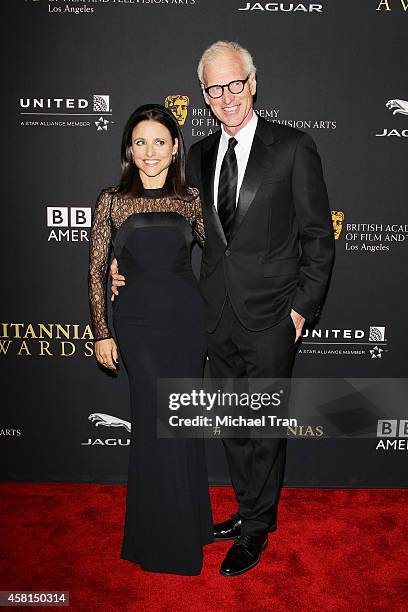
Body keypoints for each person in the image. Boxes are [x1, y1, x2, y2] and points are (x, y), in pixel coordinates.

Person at [111, 41, 335, 577]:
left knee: (264, 426)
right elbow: (171, 235)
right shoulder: (199, 156)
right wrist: (124, 271)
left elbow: (318, 239)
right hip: (211, 316)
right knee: (235, 426)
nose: (226, 96)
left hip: (273, 316)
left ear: (253, 83)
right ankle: (246, 510)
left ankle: (258, 529)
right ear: (205, 96)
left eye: (235, 83)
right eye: (214, 88)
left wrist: (301, 310)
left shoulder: (293, 148)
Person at [88, 104, 213, 576]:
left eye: (159, 141)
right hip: (137, 327)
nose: (150, 152)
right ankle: (162, 540)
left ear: (175, 146)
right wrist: (101, 330)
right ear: (128, 148)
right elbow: (96, 270)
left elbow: (221, 259)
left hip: (187, 323)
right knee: (153, 424)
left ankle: (192, 523)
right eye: (140, 142)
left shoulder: (192, 200)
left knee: (181, 423)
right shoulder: (112, 200)